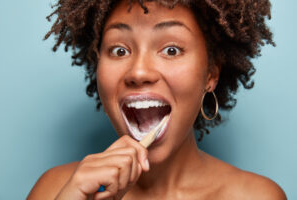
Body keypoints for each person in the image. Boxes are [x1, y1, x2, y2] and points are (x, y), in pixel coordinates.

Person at [28, 0, 287, 199]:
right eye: (119, 50)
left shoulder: (256, 196)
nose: (138, 72)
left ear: (211, 74)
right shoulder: (55, 190)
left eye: (171, 50)